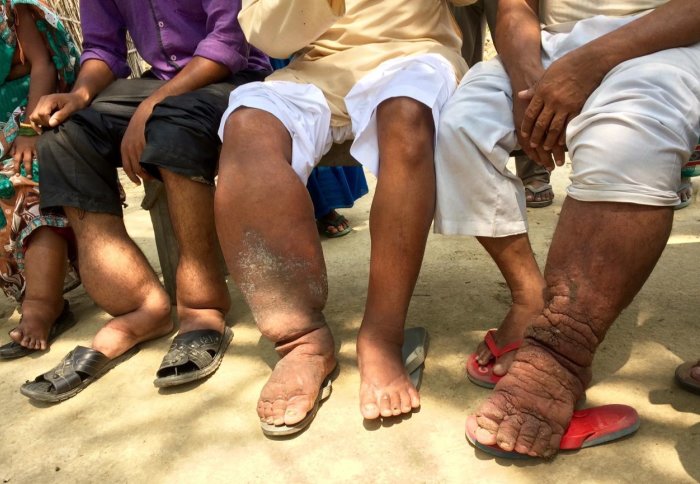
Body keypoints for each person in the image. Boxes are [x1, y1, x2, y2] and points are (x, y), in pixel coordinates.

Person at [435, 0, 700, 457]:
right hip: (555, 45)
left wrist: (589, 65)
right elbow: (515, 5)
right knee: (460, 127)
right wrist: (529, 88)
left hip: (669, 37)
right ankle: (530, 297)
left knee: (626, 135)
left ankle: (558, 355)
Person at [214, 0, 475, 434]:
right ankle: (301, 342)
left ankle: (381, 337)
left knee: (406, 112)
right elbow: (268, 36)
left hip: (417, 57)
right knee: (247, 127)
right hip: (316, 69)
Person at [18, 0, 270, 402]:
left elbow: (229, 41)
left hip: (236, 81)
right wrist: (79, 95)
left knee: (172, 125)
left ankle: (202, 308)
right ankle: (142, 308)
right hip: (158, 86)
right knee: (63, 138)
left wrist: (155, 105)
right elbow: (102, 49)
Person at [0, 0, 80, 359]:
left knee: (26, 177)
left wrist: (30, 129)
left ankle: (42, 306)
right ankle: (28, 292)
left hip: (33, 114)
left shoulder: (13, 8)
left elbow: (44, 65)